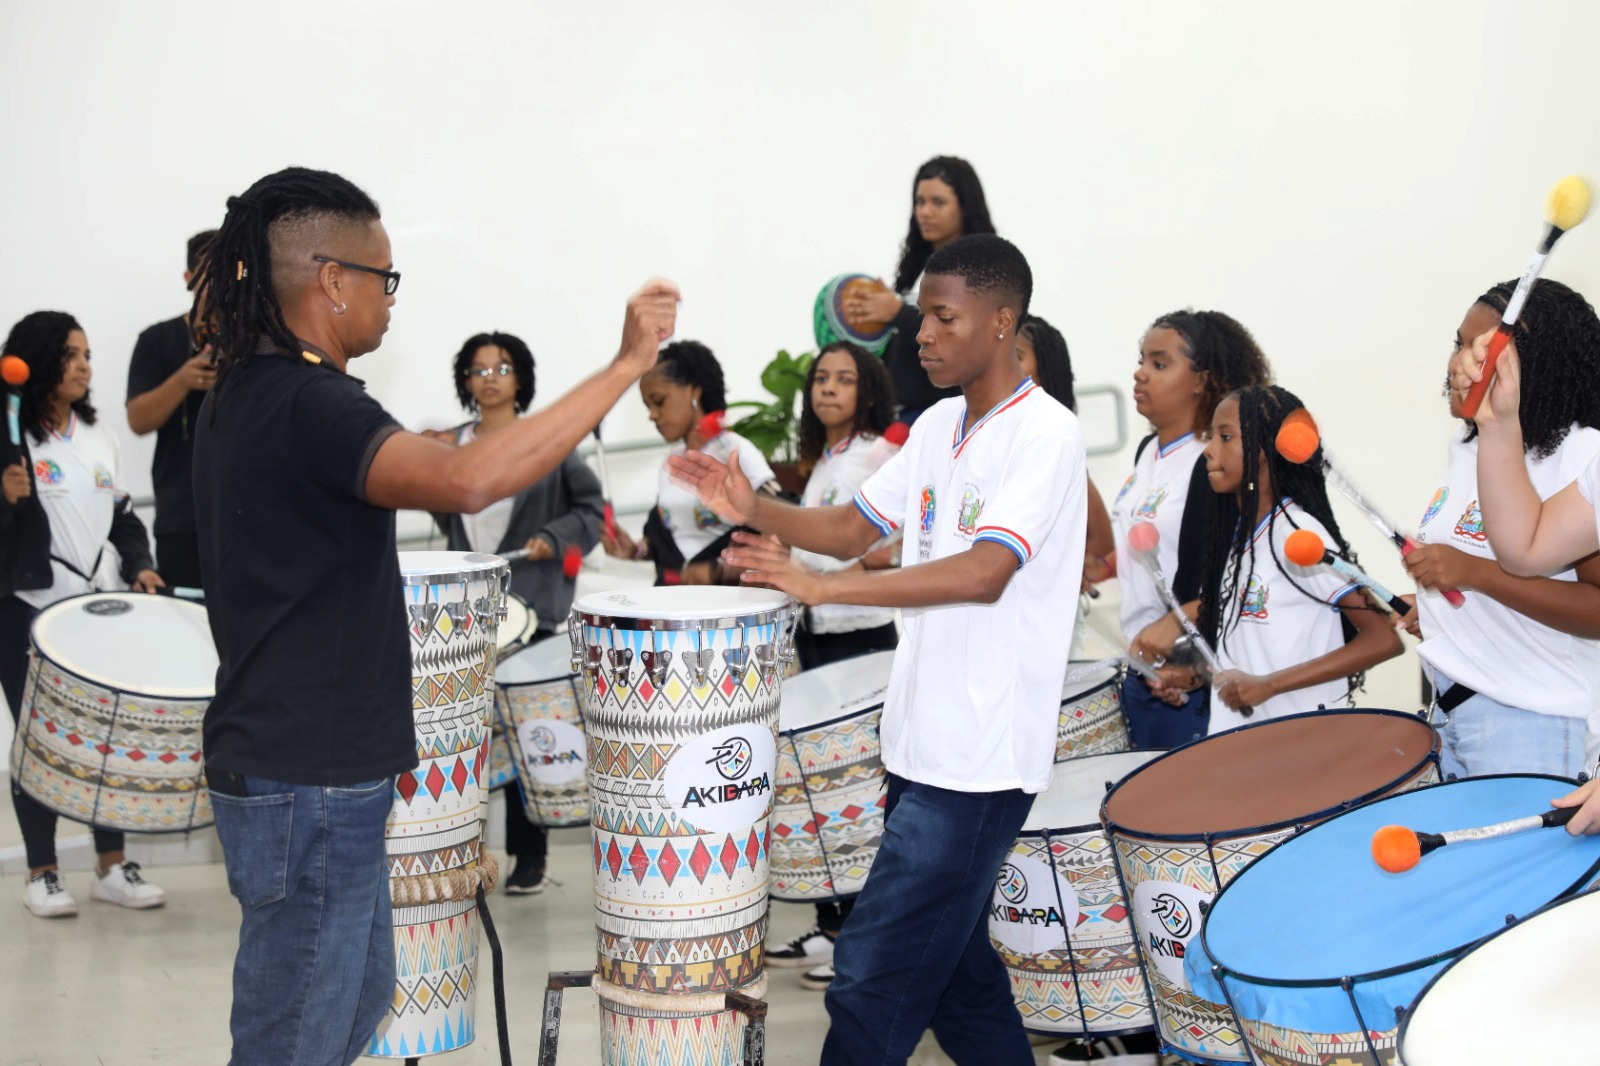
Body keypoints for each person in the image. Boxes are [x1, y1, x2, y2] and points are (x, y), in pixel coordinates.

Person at [189, 165, 676, 1066]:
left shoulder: (242, 394)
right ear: (332, 279)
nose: (389, 301)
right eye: (383, 278)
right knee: (297, 1029)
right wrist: (623, 368)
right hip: (311, 773)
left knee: (354, 993)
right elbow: (469, 477)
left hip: (302, 762)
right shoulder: (311, 402)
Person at [671, 234, 1086, 1065]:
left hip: (979, 760)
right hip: (921, 748)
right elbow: (855, 526)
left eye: (943, 316)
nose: (922, 334)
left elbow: (981, 573)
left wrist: (824, 588)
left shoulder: (1045, 435)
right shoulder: (937, 425)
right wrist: (757, 504)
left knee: (870, 976)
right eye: (923, 316)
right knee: (961, 984)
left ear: (1002, 322)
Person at [1397, 278, 1600, 782]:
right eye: (1458, 344)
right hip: (1453, 711)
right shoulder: (1469, 449)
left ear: (1537, 366)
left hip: (1536, 719)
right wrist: (1446, 609)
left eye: (1480, 350)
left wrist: (1478, 577)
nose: (1459, 363)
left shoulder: (1581, 455)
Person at [0, 310, 167, 918]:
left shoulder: (97, 436)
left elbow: (122, 514)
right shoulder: (12, 434)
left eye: (88, 354)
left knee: (105, 737)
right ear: (40, 359)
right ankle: (42, 872)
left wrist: (140, 562)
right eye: (71, 354)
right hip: (27, 608)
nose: (84, 365)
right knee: (39, 741)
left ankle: (111, 866)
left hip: (98, 609)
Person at [431, 330, 603, 895]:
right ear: (464, 380)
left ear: (521, 378)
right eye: (478, 369)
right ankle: (466, 857)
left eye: (501, 368)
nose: (489, 378)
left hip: (531, 611)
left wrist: (555, 536)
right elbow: (444, 506)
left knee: (529, 737)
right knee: (471, 740)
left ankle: (530, 859)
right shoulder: (452, 445)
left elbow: (592, 510)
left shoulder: (545, 442)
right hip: (467, 618)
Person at [766, 339, 901, 991]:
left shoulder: (881, 452)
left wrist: (847, 573)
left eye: (844, 380)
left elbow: (896, 540)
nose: (827, 389)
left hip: (863, 630)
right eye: (821, 379)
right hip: (819, 629)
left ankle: (859, 939)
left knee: (859, 787)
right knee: (826, 784)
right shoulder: (826, 458)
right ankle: (831, 924)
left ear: (867, 390)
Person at [1180, 385, 1402, 731]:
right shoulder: (1241, 535)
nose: (1208, 451)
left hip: (1301, 744)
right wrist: (1195, 674)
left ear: (1264, 451)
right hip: (1248, 746)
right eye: (1211, 437)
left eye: (1225, 437)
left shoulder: (1297, 534)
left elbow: (1383, 639)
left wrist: (1268, 685)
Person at [1115, 311, 1272, 745]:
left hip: (1194, 678)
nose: (1140, 373)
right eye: (1142, 360)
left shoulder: (1215, 462)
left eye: (1159, 364)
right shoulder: (1148, 452)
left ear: (1202, 380)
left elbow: (1238, 571)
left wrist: (1178, 630)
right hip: (1148, 672)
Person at [599, 340, 778, 584]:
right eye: (647, 406)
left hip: (725, 609)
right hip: (676, 606)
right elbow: (673, 542)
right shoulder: (671, 462)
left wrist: (720, 571)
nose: (652, 415)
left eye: (659, 401)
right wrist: (634, 551)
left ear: (694, 390)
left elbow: (779, 529)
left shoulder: (735, 452)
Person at [841, 155, 996, 424]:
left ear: (965, 207)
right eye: (920, 201)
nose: (925, 211)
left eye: (938, 202)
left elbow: (966, 334)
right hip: (902, 414)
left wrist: (898, 312)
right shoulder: (919, 265)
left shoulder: (980, 265)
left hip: (948, 412)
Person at [125, 229, 220, 590]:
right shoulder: (157, 340)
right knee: (186, 627)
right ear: (187, 278)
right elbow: (138, 419)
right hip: (182, 516)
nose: (217, 279)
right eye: (207, 269)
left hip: (249, 515)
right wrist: (182, 381)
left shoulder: (259, 337)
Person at [1016, 313, 1115, 590]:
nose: (1001, 366)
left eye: (1016, 356)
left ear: (1045, 372)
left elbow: (1101, 544)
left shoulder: (1053, 443)